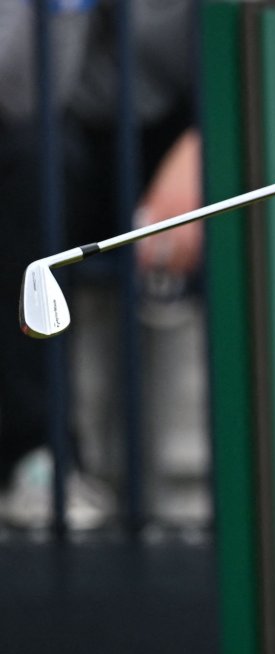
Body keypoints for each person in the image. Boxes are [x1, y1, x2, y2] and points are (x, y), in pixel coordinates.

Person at [0, 0, 204, 528]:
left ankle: (222, 477)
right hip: (66, 142)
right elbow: (21, 92)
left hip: (184, 133)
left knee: (242, 151)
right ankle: (42, 455)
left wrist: (205, 144)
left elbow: (258, 49)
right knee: (33, 167)